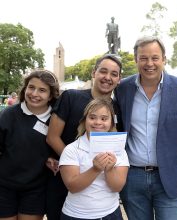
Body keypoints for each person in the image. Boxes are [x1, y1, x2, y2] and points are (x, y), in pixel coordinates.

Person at [113, 36, 177, 220]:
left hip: (170, 177)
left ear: (164, 59)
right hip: (133, 178)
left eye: (155, 58)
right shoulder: (123, 89)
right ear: (136, 59)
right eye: (143, 58)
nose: (150, 63)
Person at [46, 54, 122, 220]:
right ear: (94, 72)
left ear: (119, 79)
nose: (107, 77)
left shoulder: (117, 107)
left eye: (114, 74)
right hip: (65, 180)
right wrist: (72, 163)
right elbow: (52, 137)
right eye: (103, 71)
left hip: (101, 188)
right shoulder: (71, 97)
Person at [0, 70, 59, 219]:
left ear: (51, 95)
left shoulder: (56, 118)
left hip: (36, 188)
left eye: (42, 90)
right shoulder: (8, 115)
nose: (34, 93)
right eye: (31, 87)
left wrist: (51, 157)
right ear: (25, 88)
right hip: (4, 186)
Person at [59, 98, 129, 219]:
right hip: (76, 215)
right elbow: (73, 187)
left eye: (104, 118)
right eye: (92, 117)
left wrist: (109, 169)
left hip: (111, 214)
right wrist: (95, 169)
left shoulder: (119, 150)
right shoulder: (72, 149)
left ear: (112, 122)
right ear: (84, 120)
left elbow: (117, 187)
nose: (98, 122)